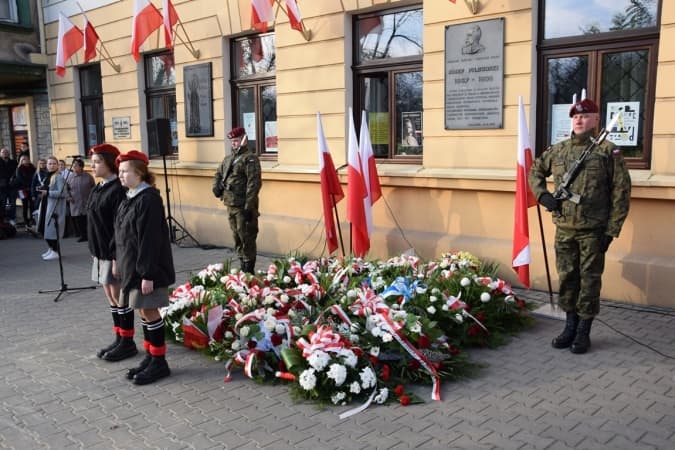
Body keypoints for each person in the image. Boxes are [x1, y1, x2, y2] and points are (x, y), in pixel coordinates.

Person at [529, 98, 631, 354]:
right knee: (567, 279)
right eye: (575, 116)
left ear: (596, 120)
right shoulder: (559, 150)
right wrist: (543, 195)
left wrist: (611, 230)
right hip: (564, 228)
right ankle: (569, 326)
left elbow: (621, 192)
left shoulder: (608, 151)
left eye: (585, 116)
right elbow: (535, 171)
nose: (579, 120)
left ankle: (583, 332)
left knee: (590, 281)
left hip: (593, 231)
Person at [114, 150, 175, 384]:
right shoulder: (130, 196)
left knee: (150, 311)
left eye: (125, 171)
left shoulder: (148, 199)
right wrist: (119, 263)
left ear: (139, 173)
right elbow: (123, 235)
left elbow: (149, 239)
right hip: (132, 267)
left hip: (147, 269)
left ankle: (160, 362)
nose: (121, 176)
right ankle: (151, 355)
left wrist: (148, 274)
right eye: (119, 172)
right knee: (141, 310)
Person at [87, 144, 137, 362]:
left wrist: (116, 256)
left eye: (97, 161)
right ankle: (118, 337)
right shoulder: (99, 187)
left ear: (109, 163)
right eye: (93, 161)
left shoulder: (117, 189)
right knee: (110, 296)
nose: (93, 165)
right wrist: (94, 251)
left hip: (112, 252)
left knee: (120, 298)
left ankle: (127, 342)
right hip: (99, 252)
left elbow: (120, 226)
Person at [212, 127, 262, 273]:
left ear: (243, 140)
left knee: (247, 238)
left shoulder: (249, 158)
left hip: (243, 207)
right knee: (237, 237)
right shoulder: (228, 159)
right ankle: (242, 266)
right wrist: (216, 187)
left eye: (236, 140)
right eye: (232, 141)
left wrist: (249, 206)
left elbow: (254, 184)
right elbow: (218, 174)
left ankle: (249, 271)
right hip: (230, 204)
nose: (234, 143)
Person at [37, 156, 67, 261]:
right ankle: (51, 249)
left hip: (54, 208)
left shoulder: (58, 177)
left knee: (52, 231)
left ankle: (55, 251)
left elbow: (63, 193)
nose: (51, 165)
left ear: (57, 165)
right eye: (50, 163)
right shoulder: (48, 176)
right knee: (44, 230)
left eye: (54, 163)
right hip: (46, 205)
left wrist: (48, 192)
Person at [67, 158, 95, 242]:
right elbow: (66, 189)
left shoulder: (88, 176)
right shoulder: (70, 177)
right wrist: (68, 196)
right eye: (73, 165)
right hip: (75, 202)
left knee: (87, 219)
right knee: (78, 220)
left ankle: (89, 235)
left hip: (86, 201)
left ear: (81, 167)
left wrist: (92, 198)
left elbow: (93, 187)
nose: (74, 167)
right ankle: (82, 235)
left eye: (76, 165)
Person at [14, 155, 36, 227]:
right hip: (22, 190)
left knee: (32, 205)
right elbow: (20, 179)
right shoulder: (19, 168)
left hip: (31, 189)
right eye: (24, 159)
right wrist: (27, 185)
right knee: (25, 206)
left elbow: (35, 177)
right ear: (21, 160)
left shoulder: (32, 167)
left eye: (27, 159)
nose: (26, 160)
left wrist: (31, 186)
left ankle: (32, 220)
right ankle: (26, 221)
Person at [0, 147, 18, 226]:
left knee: (13, 203)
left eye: (6, 152)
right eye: (3, 152)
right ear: (0, 154)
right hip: (1, 187)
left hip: (12, 186)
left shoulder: (14, 162)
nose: (5, 153)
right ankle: (2, 219)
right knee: (2, 203)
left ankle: (12, 218)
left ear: (9, 153)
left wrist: (14, 181)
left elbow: (17, 173)